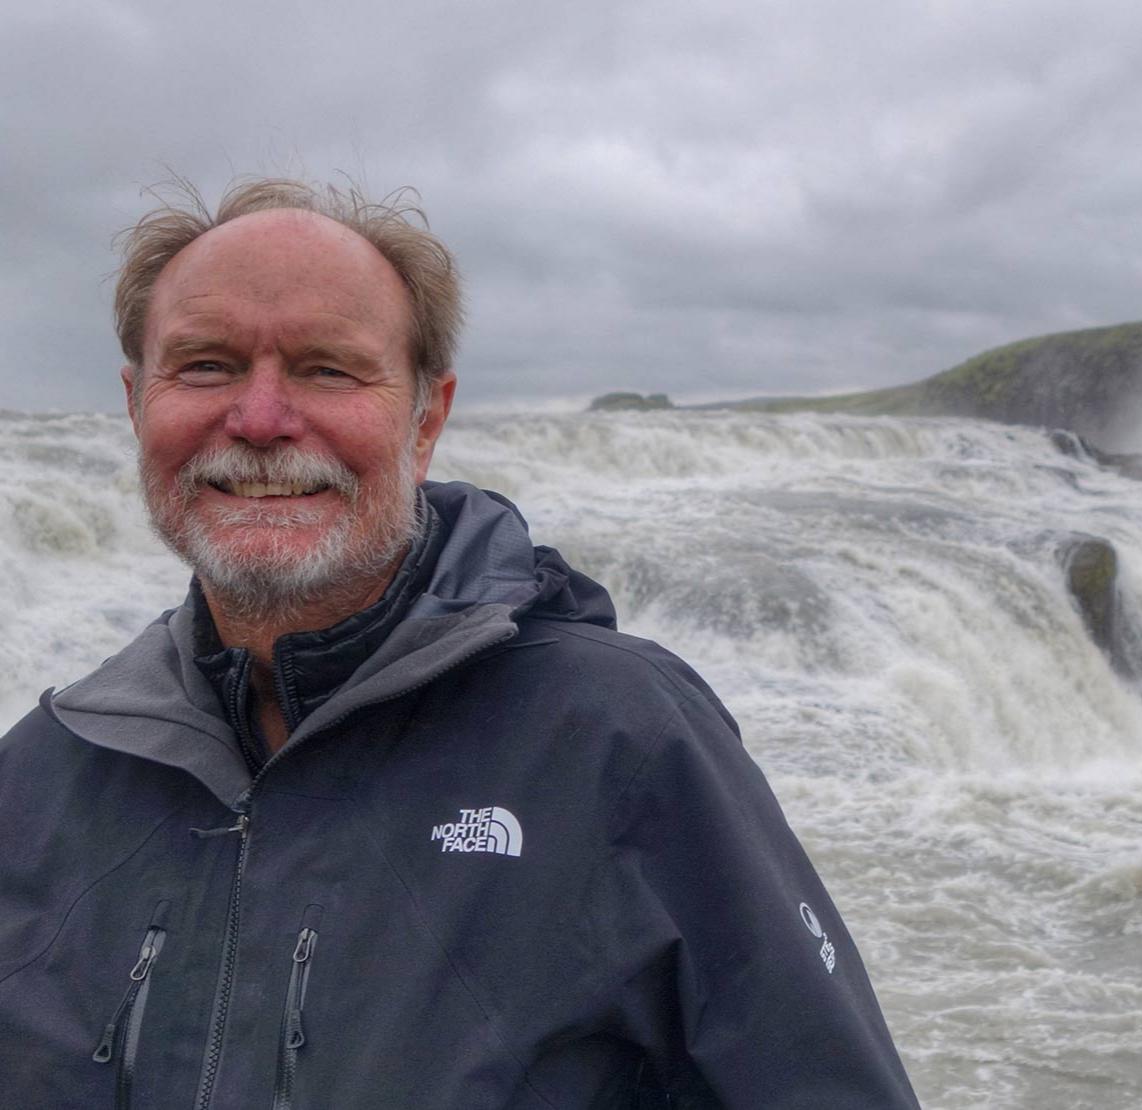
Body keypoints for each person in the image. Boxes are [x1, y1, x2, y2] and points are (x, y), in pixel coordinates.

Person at [0, 178, 920, 1108]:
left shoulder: (622, 742)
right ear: (134, 404)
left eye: (328, 368)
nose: (263, 418)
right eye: (204, 366)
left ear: (426, 419)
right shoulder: (36, 781)